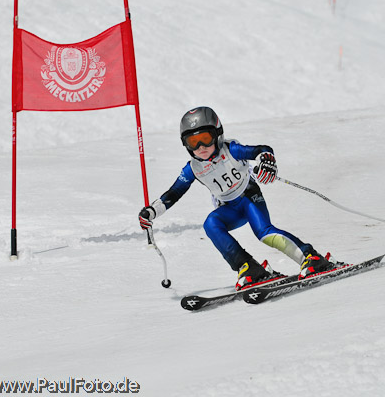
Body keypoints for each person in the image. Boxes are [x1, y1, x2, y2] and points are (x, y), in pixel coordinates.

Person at [138, 107, 333, 291]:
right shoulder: (193, 169)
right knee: (211, 224)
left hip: (249, 197)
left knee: (264, 233)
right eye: (193, 142)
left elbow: (261, 149)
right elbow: (174, 193)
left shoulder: (231, 150)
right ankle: (249, 268)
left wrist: (266, 160)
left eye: (206, 138)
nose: (201, 147)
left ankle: (311, 258)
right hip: (229, 208)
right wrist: (152, 211)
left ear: (217, 134)